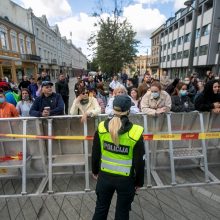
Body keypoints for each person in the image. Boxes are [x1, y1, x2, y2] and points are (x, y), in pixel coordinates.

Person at [92, 95, 145, 220]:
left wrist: (95, 171)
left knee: (100, 210)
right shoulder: (136, 132)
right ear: (129, 110)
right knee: (122, 213)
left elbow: (95, 153)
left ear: (113, 108)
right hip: (126, 181)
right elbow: (140, 162)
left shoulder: (101, 127)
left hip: (104, 177)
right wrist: (139, 182)